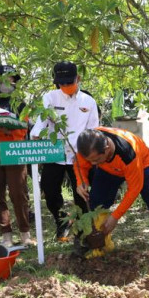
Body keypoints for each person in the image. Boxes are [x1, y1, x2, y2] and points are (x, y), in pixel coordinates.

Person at [75, 127, 149, 255]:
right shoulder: (88, 143)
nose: (92, 163)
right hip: (108, 169)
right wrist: (81, 182)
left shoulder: (128, 153)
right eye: (90, 160)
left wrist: (115, 216)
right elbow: (80, 164)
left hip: (142, 164)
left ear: (107, 149)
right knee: (97, 201)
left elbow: (134, 189)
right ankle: (103, 246)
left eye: (96, 160)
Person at [30, 61, 99, 241]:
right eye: (62, 83)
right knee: (50, 190)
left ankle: (82, 228)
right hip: (55, 151)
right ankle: (61, 222)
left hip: (80, 154)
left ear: (78, 78)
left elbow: (94, 129)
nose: (66, 86)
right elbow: (42, 120)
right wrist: (35, 136)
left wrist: (91, 155)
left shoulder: (88, 101)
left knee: (82, 193)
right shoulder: (50, 97)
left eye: (70, 82)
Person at [0, 65, 34, 247]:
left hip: (14, 150)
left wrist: (8, 127)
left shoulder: (20, 104)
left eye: (12, 79)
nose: (10, 82)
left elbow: (25, 126)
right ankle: (6, 235)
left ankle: (25, 233)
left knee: (19, 193)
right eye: (5, 78)